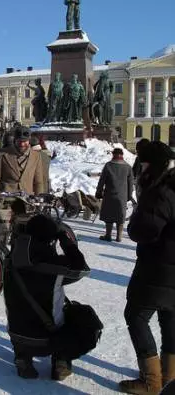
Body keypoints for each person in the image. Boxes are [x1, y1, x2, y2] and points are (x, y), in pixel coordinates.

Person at [5, 214, 90, 381]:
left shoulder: (9, 260)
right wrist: (65, 240)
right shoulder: (56, 266)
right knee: (83, 317)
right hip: (46, 340)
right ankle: (61, 361)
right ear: (51, 239)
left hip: (16, 335)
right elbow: (82, 268)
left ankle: (23, 358)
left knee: (22, 309)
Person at [120, 141, 175, 394]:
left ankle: (151, 382)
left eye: (142, 163)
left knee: (136, 316)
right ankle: (170, 376)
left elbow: (145, 229)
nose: (140, 168)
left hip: (159, 266)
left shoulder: (162, 191)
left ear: (153, 165)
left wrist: (133, 226)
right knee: (170, 317)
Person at [0, 126, 46, 195]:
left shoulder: (36, 156)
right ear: (15, 140)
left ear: (29, 140)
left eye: (24, 141)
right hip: (6, 199)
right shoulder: (2, 154)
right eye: (19, 141)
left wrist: (38, 198)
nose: (22, 144)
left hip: (27, 200)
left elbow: (38, 182)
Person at [96, 148, 133, 242]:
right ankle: (119, 236)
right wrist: (129, 195)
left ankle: (108, 235)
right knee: (120, 215)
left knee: (109, 215)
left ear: (113, 155)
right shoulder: (128, 167)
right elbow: (130, 183)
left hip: (109, 194)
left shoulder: (108, 165)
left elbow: (102, 181)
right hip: (122, 195)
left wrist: (99, 192)